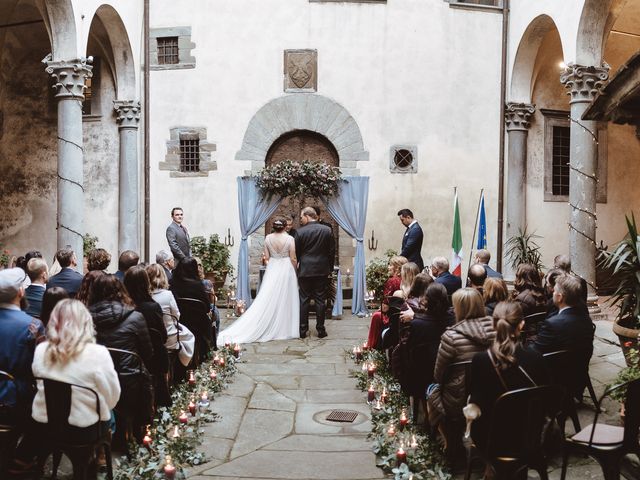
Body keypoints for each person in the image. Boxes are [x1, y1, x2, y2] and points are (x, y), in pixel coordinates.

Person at [31, 299, 121, 444]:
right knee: (109, 416)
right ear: (86, 322)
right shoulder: (98, 353)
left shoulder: (41, 350)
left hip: (46, 424)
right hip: (84, 428)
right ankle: (100, 455)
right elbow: (112, 397)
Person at [468, 301, 548, 451]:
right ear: (521, 325)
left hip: (491, 438)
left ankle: (490, 466)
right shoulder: (536, 358)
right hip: (528, 435)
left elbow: (476, 402)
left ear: (493, 325)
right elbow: (547, 399)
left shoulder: (480, 360)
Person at [428, 288, 494, 456]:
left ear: (459, 308)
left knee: (431, 390)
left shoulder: (451, 337)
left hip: (459, 398)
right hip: (491, 393)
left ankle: (451, 443)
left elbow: (438, 375)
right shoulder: (496, 329)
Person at [87, 274, 154, 442]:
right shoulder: (135, 317)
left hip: (97, 380)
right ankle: (138, 428)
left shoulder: (85, 318)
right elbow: (147, 352)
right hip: (129, 378)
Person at [220, 218, 300, 343]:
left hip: (273, 267)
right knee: (286, 297)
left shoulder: (268, 238)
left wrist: (274, 262)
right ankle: (285, 327)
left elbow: (266, 257)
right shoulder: (290, 239)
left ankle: (271, 321)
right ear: (285, 227)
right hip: (286, 268)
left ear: (274, 227)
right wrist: (294, 270)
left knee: (269, 295)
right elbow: (293, 257)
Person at [0, 268, 45, 475]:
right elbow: (42, 367)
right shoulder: (33, 325)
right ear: (20, 292)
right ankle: (24, 458)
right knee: (49, 412)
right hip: (16, 401)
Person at [532, 274, 594, 399]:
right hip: (579, 375)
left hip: (556, 380)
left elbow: (535, 353)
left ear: (559, 297)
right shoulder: (586, 320)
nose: (552, 292)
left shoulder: (553, 324)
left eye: (554, 290)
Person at [124, 266, 170, 407]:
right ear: (146, 284)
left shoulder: (123, 307)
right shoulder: (152, 307)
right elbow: (163, 336)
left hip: (129, 358)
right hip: (152, 359)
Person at [296, 207, 335, 339]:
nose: (301, 220)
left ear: (307, 216)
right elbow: (331, 252)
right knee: (320, 300)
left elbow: (297, 252)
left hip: (305, 269)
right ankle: (321, 329)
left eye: (302, 217)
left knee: (304, 300)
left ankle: (302, 330)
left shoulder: (300, 232)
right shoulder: (327, 230)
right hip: (321, 269)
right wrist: (329, 268)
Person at [366, 255, 407, 349]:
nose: (388, 267)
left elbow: (385, 307)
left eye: (390, 265)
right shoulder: (406, 280)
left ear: (397, 268)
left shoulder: (392, 281)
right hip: (402, 313)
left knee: (376, 316)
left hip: (393, 316)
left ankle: (373, 346)